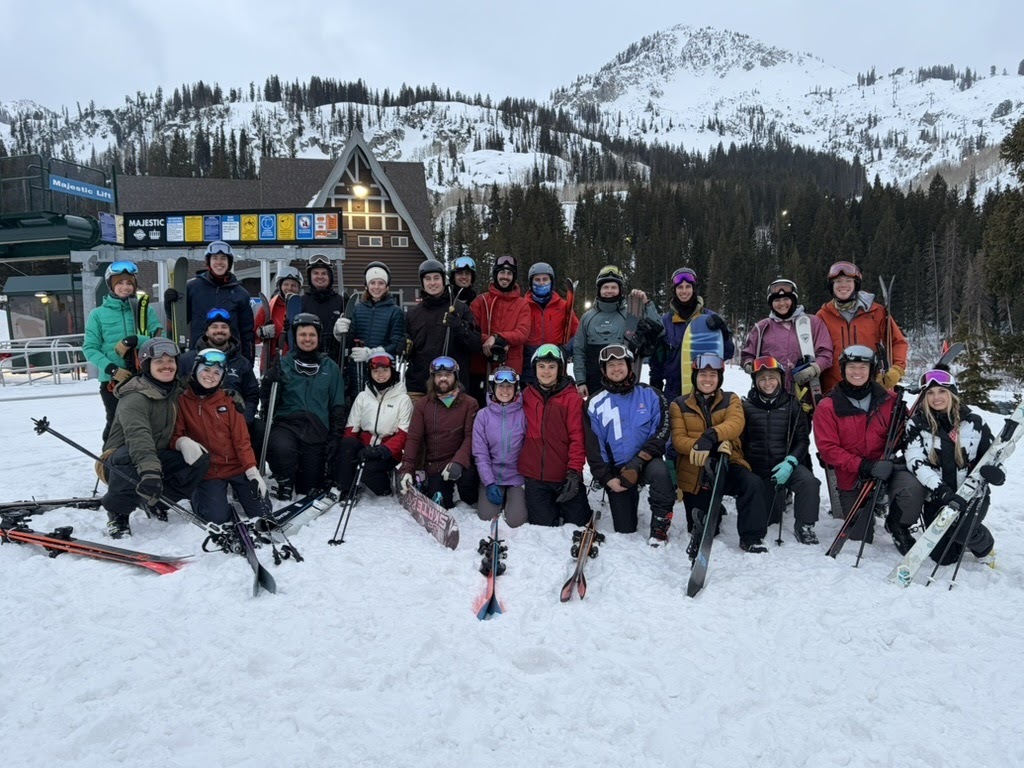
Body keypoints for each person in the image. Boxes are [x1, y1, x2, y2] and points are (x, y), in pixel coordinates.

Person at [99, 338, 210, 538]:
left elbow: (202, 393)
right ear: (147, 366)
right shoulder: (135, 397)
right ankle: (117, 514)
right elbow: (138, 437)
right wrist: (150, 473)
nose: (167, 366)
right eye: (159, 361)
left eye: (171, 361)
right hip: (119, 459)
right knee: (129, 458)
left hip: (157, 454)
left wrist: (227, 395)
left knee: (198, 459)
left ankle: (153, 501)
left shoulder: (175, 390)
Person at [813, 344, 915, 547]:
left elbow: (911, 431)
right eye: (851, 367)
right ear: (843, 370)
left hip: (887, 469)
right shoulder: (828, 406)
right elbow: (828, 450)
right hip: (853, 477)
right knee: (860, 537)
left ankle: (896, 523)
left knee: (911, 487)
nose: (857, 372)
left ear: (872, 370)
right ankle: (871, 504)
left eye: (862, 367)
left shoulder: (892, 401)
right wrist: (865, 466)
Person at [669, 353, 769, 553]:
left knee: (752, 483)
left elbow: (735, 424)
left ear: (720, 378)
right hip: (697, 470)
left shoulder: (730, 399)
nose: (708, 379)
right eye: (703, 374)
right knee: (706, 529)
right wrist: (707, 446)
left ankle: (751, 537)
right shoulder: (678, 404)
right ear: (695, 377)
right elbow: (678, 440)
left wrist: (712, 435)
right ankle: (716, 511)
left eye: (713, 375)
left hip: (728, 462)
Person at [899, 370, 1000, 565]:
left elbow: (992, 456)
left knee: (963, 532)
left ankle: (982, 543)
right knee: (944, 558)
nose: (936, 397)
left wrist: (997, 473)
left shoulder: (974, 422)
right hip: (939, 494)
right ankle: (958, 532)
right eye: (930, 393)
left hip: (970, 492)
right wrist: (941, 491)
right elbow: (915, 461)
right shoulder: (917, 424)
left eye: (941, 391)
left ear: (952, 393)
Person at [583, 344, 674, 543]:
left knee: (661, 473)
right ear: (604, 370)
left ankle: (659, 528)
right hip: (618, 471)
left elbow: (661, 432)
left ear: (629, 366)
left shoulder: (652, 395)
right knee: (625, 529)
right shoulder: (594, 403)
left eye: (620, 364)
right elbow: (594, 448)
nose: (616, 369)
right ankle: (628, 497)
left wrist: (638, 462)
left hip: (647, 462)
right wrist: (607, 479)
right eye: (611, 365)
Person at [171, 348, 269, 524]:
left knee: (263, 511)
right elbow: (174, 435)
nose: (211, 376)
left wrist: (252, 471)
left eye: (217, 372)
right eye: (206, 370)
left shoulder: (230, 401)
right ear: (196, 370)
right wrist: (182, 442)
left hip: (236, 467)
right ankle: (197, 494)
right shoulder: (182, 402)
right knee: (216, 518)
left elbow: (242, 440)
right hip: (208, 471)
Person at [260, 313, 346, 501]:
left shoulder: (330, 367)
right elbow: (268, 403)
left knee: (308, 488)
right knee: (282, 447)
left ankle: (301, 474)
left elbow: (337, 404)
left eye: (312, 335)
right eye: (302, 335)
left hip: (316, 429)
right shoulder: (283, 364)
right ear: (295, 337)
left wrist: (335, 436)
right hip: (288, 425)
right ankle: (284, 479)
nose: (307, 339)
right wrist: (268, 383)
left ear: (318, 337)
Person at [741, 356, 822, 545]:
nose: (767, 383)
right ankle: (778, 498)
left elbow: (802, 440)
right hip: (760, 468)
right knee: (771, 519)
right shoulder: (746, 407)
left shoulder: (793, 405)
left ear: (780, 379)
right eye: (762, 378)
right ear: (755, 382)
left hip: (787, 465)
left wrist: (791, 461)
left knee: (809, 483)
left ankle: (805, 525)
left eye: (772, 377)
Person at [83, 260, 163, 442]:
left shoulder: (144, 310)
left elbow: (159, 340)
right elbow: (89, 348)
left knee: (145, 422)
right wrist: (112, 369)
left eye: (129, 283)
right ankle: (109, 461)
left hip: (143, 377)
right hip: (113, 381)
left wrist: (134, 340)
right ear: (111, 285)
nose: (125, 287)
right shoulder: (98, 314)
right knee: (116, 422)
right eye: (119, 282)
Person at [518, 344, 591, 526]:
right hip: (535, 478)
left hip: (563, 476)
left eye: (552, 366)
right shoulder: (526, 395)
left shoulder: (572, 398)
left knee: (578, 522)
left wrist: (574, 473)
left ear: (560, 369)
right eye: (541, 366)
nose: (546, 372)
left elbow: (577, 438)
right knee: (543, 525)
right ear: (534, 368)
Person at [398, 356, 480, 509]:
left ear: (455, 376)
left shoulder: (470, 403)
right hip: (436, 465)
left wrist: (458, 462)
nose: (443, 378)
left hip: (459, 461)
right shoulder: (423, 405)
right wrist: (407, 468)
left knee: (469, 487)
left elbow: (471, 437)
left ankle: (466, 497)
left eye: (448, 375)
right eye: (438, 375)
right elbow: (414, 438)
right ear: (432, 378)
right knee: (441, 503)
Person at [816, 261, 908, 394]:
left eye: (848, 280)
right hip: (834, 391)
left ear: (856, 284)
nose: (843, 285)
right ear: (832, 285)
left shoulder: (876, 312)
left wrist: (897, 368)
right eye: (838, 281)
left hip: (872, 388)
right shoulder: (823, 316)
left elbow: (897, 342)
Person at [573, 264, 663, 399]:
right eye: (606, 287)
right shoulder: (587, 318)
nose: (609, 291)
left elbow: (659, 329)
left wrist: (647, 304)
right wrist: (580, 381)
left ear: (620, 290)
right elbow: (579, 351)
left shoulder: (631, 314)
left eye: (614, 287)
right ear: (599, 290)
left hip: (625, 384)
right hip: (594, 384)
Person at [649, 267, 734, 402]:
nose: (684, 291)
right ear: (674, 290)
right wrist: (655, 384)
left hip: (707, 392)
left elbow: (728, 353)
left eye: (688, 286)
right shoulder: (665, 321)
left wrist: (724, 333)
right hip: (673, 393)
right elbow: (658, 360)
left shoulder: (710, 318)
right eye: (680, 287)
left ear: (694, 289)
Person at [740, 279, 832, 400]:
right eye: (777, 300)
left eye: (786, 299)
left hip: (805, 393)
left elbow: (826, 353)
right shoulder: (762, 327)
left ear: (793, 300)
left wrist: (814, 369)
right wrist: (751, 367)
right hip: (770, 393)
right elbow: (747, 355)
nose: (782, 304)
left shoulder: (812, 323)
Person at [337, 352, 412, 499]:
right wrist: (350, 452)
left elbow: (404, 434)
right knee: (347, 444)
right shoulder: (363, 397)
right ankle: (346, 488)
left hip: (388, 450)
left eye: (385, 370)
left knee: (367, 470)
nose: (380, 375)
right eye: (375, 371)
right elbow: (351, 428)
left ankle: (384, 488)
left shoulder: (403, 399)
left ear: (392, 371)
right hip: (365, 445)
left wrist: (382, 450)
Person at [404, 259, 482, 400]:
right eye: (427, 279)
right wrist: (403, 345)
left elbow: (475, 344)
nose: (432, 283)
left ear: (443, 280)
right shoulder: (413, 314)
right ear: (422, 283)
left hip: (451, 388)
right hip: (420, 388)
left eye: (436, 278)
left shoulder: (459, 308)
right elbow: (408, 349)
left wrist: (459, 327)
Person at [165, 241, 254, 362]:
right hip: (198, 354)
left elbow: (247, 332)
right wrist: (170, 303)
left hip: (231, 357)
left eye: (223, 258)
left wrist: (248, 361)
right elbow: (179, 319)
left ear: (229, 262)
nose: (219, 262)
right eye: (215, 258)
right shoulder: (193, 288)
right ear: (208, 262)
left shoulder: (241, 294)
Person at [333, 261, 407, 400]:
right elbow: (348, 341)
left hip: (382, 371)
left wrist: (372, 353)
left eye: (381, 283)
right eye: (372, 283)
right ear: (366, 285)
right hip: (357, 372)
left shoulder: (395, 311)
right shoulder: (357, 309)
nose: (376, 287)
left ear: (387, 286)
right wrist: (339, 333)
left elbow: (396, 344)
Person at [179, 308, 259, 430]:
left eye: (224, 327)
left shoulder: (241, 363)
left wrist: (244, 420)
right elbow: (177, 391)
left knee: (260, 431)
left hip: (233, 423)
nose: (219, 330)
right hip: (197, 423)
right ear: (206, 332)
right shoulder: (187, 360)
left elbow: (251, 395)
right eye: (214, 327)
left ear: (230, 332)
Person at [469, 254, 531, 406]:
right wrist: (487, 341)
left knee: (509, 412)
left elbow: (522, 332)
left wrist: (498, 338)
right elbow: (471, 330)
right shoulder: (481, 301)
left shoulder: (522, 304)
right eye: (502, 272)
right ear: (496, 274)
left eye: (509, 273)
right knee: (481, 410)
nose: (505, 277)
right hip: (482, 368)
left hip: (510, 369)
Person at [472, 367, 528, 528]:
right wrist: (489, 482)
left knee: (517, 521)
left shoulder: (523, 413)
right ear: (493, 388)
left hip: (517, 477)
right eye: (500, 386)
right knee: (486, 516)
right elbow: (480, 453)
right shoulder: (483, 415)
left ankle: (513, 500)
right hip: (492, 476)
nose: (505, 390)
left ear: (516, 388)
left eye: (509, 386)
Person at [522, 261, 579, 387]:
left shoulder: (563, 306)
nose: (541, 283)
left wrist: (566, 350)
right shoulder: (523, 305)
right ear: (531, 283)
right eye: (537, 280)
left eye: (545, 279)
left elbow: (579, 333)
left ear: (551, 282)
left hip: (554, 361)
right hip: (529, 365)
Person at [254, 265, 303, 370]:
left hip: (294, 362)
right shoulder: (269, 308)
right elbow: (253, 336)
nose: (289, 288)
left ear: (299, 288)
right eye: (286, 284)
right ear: (280, 286)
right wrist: (261, 332)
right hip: (271, 361)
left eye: (293, 285)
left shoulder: (302, 307)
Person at [301, 253, 346, 361]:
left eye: (324, 273)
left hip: (335, 360)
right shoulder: (303, 301)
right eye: (315, 273)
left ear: (330, 277)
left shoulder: (340, 301)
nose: (320, 276)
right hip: (308, 359)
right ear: (310, 276)